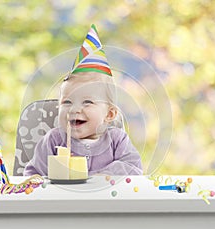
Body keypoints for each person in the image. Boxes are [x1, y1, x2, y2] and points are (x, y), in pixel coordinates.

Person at [23, 24, 143, 176]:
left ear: (109, 114)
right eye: (67, 102)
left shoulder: (117, 140)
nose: (74, 109)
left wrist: (96, 177)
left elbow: (134, 168)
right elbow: (32, 175)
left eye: (87, 102)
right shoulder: (53, 140)